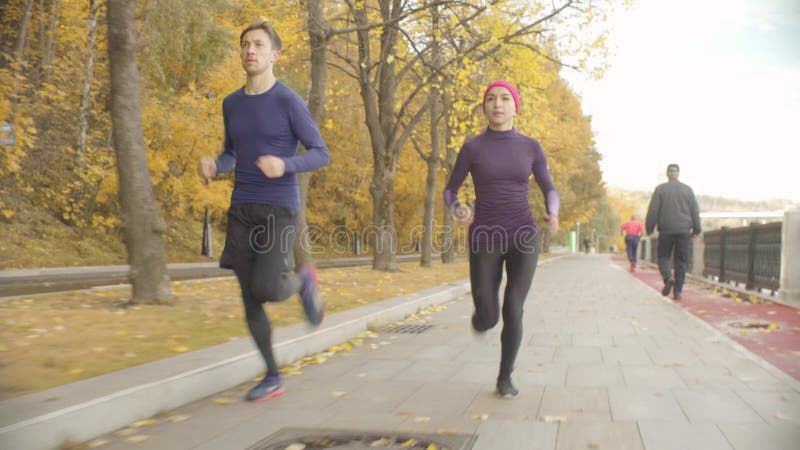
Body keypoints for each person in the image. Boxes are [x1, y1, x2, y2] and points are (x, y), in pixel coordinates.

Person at [199, 21, 330, 402]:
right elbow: (231, 152)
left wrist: (285, 165)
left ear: (275, 54)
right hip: (242, 208)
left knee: (268, 287)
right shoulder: (231, 103)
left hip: (279, 208)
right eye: (244, 45)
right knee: (249, 299)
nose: (250, 51)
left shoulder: (288, 100)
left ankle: (303, 281)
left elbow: (321, 152)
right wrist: (216, 166)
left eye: (258, 44)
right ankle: (272, 375)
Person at [443, 80, 559, 399]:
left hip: (523, 235)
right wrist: (457, 208)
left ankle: (504, 378)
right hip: (485, 236)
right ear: (484, 107)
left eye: (505, 98)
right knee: (490, 316)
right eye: (491, 98)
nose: (498, 103)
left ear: (515, 106)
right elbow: (450, 190)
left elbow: (549, 187)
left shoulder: (530, 147)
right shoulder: (473, 147)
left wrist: (552, 211)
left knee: (514, 307)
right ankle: (482, 318)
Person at [645, 164, 701, 300]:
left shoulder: (660, 190)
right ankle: (678, 291)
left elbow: (653, 210)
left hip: (666, 230)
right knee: (681, 261)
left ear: (667, 174)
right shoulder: (687, 190)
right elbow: (694, 210)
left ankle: (668, 277)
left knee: (663, 257)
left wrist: (649, 228)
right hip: (683, 230)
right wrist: (696, 229)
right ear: (678, 174)